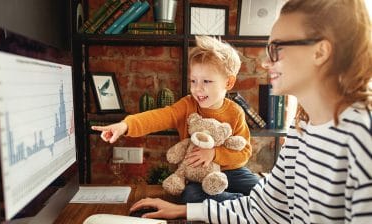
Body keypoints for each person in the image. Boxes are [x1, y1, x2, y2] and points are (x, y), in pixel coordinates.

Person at [128, 0, 372, 223]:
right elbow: (264, 207)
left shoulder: (362, 136)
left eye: (276, 48)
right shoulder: (301, 132)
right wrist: (186, 211)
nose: (266, 62)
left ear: (320, 52)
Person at [91, 35, 259, 203]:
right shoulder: (187, 105)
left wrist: (215, 153)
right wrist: (124, 126)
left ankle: (240, 204)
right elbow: (157, 117)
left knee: (261, 188)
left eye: (206, 81)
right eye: (193, 81)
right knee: (191, 195)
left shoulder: (235, 112)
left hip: (233, 172)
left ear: (228, 83)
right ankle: (240, 204)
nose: (197, 88)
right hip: (197, 173)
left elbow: (244, 152)